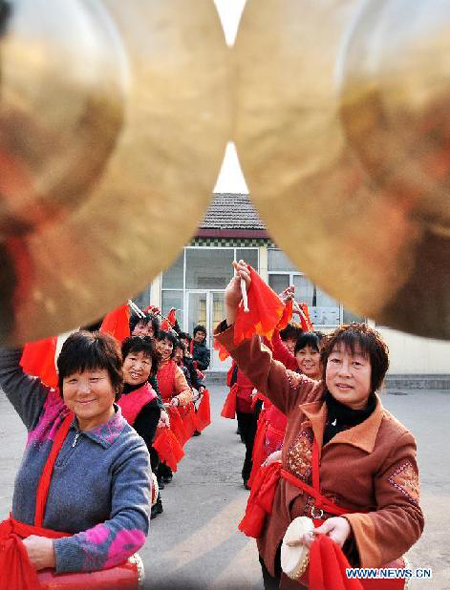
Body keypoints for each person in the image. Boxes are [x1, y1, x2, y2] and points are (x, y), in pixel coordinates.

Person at [216, 261, 424, 589]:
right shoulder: (305, 393)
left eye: (357, 364)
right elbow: (257, 363)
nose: (343, 372)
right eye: (336, 361)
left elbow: (407, 517)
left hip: (338, 565)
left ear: (376, 376)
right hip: (282, 547)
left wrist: (353, 528)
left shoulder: (394, 440)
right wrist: (232, 306)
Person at [0, 331, 151, 585]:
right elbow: (6, 368)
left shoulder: (129, 449)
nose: (83, 391)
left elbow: (131, 528)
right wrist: (20, 311)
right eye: (72, 379)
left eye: (94, 378)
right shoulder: (47, 412)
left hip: (70, 579)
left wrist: (56, 553)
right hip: (15, 561)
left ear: (116, 382)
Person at [119, 336, 164, 519]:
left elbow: (140, 446)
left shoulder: (150, 402)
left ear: (152, 369)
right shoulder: (108, 385)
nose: (138, 367)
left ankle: (154, 501)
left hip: (128, 458)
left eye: (145, 362)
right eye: (132, 359)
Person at [154, 330, 193, 483]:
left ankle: (163, 470)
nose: (166, 347)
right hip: (148, 408)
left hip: (166, 409)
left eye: (170, 345)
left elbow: (186, 391)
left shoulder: (175, 369)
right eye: (163, 343)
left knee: (165, 444)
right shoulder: (147, 362)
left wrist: (177, 400)